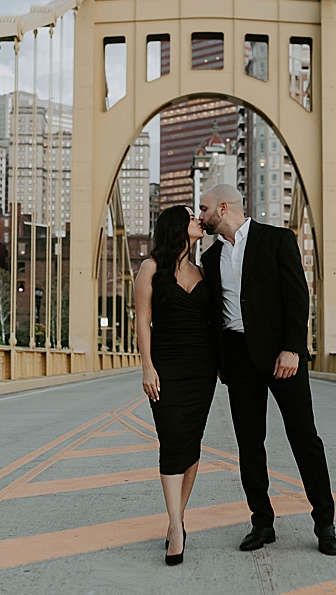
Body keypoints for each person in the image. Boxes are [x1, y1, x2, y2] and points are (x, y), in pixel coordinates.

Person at [197, 184, 336, 557]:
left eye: (204, 208)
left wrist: (293, 347)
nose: (201, 214)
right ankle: (262, 522)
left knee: (304, 438)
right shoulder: (210, 259)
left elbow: (297, 295)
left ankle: (325, 523)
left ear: (223, 208)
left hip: (282, 357)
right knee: (249, 444)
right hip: (238, 359)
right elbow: (212, 316)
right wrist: (219, 362)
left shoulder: (277, 239)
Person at [134, 205, 215, 566]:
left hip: (202, 370)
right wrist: (147, 367)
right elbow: (142, 320)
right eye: (191, 216)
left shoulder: (203, 270)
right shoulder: (150, 268)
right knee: (171, 440)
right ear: (176, 227)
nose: (199, 219)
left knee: (191, 443)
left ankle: (176, 519)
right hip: (166, 367)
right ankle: (177, 529)